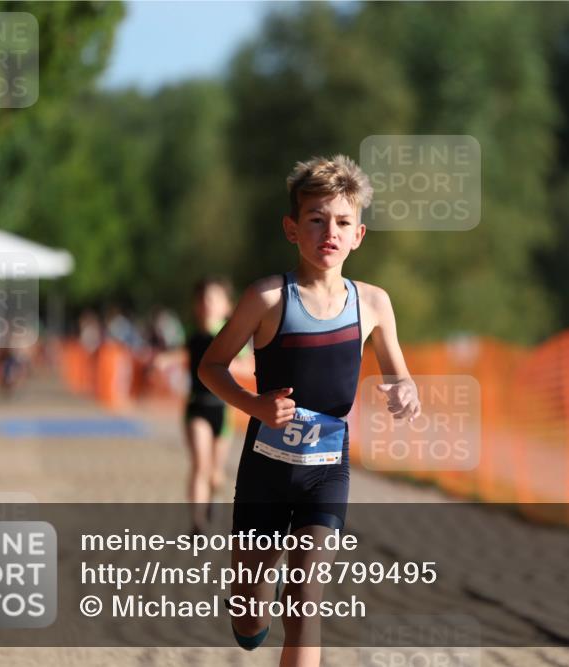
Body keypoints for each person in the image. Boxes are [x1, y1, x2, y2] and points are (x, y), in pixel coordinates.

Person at [197, 154, 421, 666]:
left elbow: (399, 375)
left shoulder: (373, 304)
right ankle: (252, 608)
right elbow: (211, 366)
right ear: (291, 228)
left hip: (326, 472)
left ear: (359, 234)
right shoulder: (267, 298)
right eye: (316, 219)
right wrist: (254, 404)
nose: (330, 232)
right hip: (265, 471)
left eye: (342, 221)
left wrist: (405, 391)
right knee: (249, 615)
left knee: (305, 602)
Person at [154, 279, 250, 534]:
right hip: (197, 406)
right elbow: (184, 353)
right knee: (200, 464)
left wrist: (228, 367)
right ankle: (198, 521)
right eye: (203, 299)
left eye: (214, 299)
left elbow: (249, 365)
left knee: (216, 472)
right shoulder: (192, 332)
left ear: (226, 307)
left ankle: (213, 497)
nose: (207, 304)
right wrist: (164, 360)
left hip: (222, 409)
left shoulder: (229, 334)